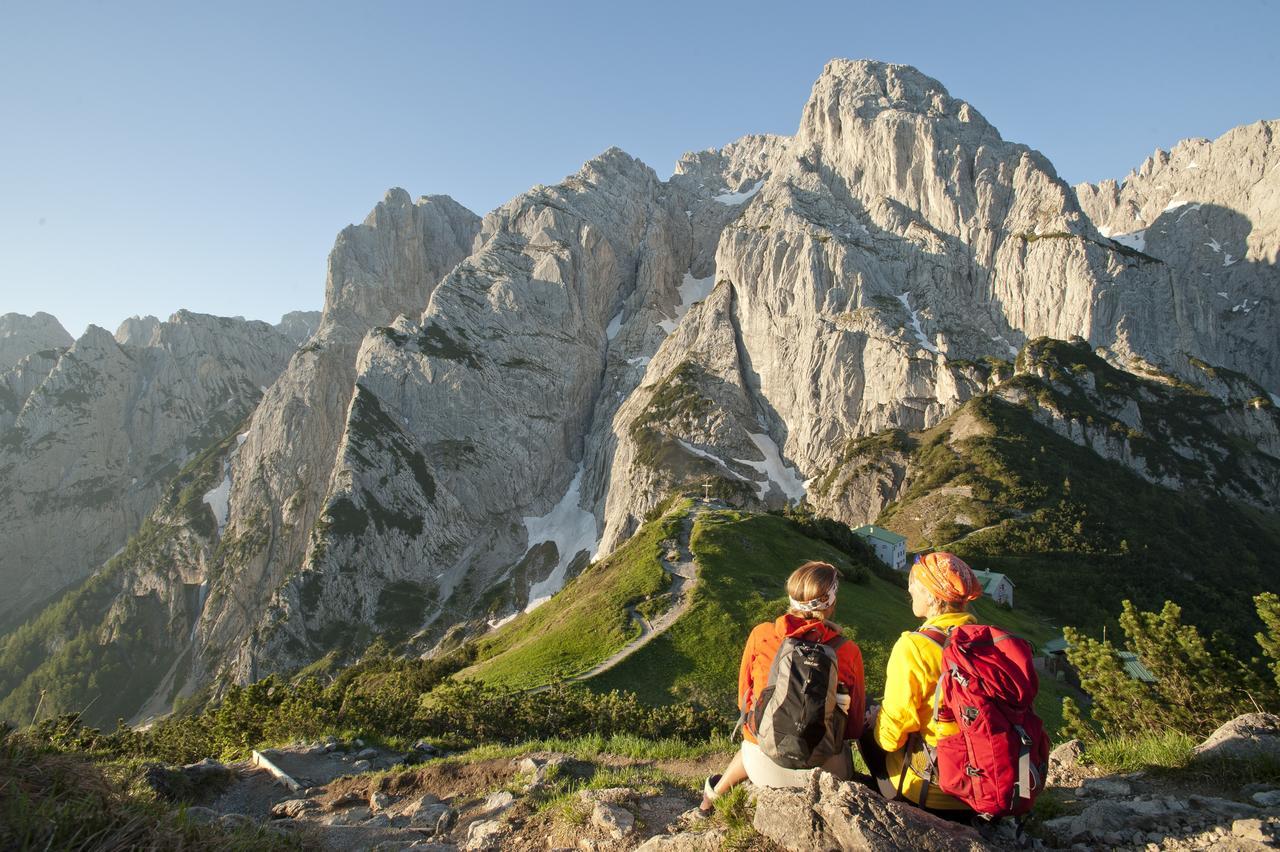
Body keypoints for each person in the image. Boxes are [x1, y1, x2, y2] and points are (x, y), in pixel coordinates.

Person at [693, 560, 865, 818]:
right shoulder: (847, 651)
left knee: (759, 732)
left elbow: (744, 702)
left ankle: (710, 799)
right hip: (823, 771)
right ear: (830, 602)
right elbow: (853, 728)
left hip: (762, 766)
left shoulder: (762, 635)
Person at [858, 551, 982, 819]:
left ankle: (888, 801)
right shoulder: (983, 641)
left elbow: (891, 738)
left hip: (936, 793)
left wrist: (874, 721)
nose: (909, 589)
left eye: (914, 584)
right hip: (989, 781)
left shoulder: (914, 646)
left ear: (931, 596)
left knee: (866, 712)